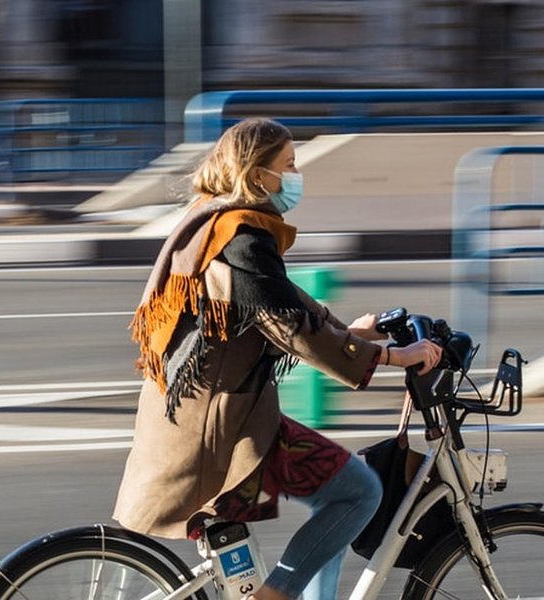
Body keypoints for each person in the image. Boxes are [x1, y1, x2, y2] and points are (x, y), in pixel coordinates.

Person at [113, 118, 442, 600]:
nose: (294, 175)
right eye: (287, 165)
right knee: (358, 492)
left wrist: (345, 333)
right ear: (257, 173)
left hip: (203, 412)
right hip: (221, 427)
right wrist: (394, 356)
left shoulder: (213, 216)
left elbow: (279, 303)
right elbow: (288, 326)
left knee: (340, 496)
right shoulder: (241, 236)